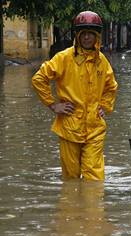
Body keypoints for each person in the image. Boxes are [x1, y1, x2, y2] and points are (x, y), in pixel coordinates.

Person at [32, 11, 118, 181]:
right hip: (70, 126)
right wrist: (53, 105)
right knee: (70, 177)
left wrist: (105, 106)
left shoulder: (101, 61)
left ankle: (93, 207)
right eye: (83, 34)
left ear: (96, 37)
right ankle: (72, 206)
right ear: (77, 35)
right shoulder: (63, 58)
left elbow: (111, 86)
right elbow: (39, 78)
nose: (87, 38)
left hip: (95, 127)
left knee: (94, 177)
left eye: (90, 34)